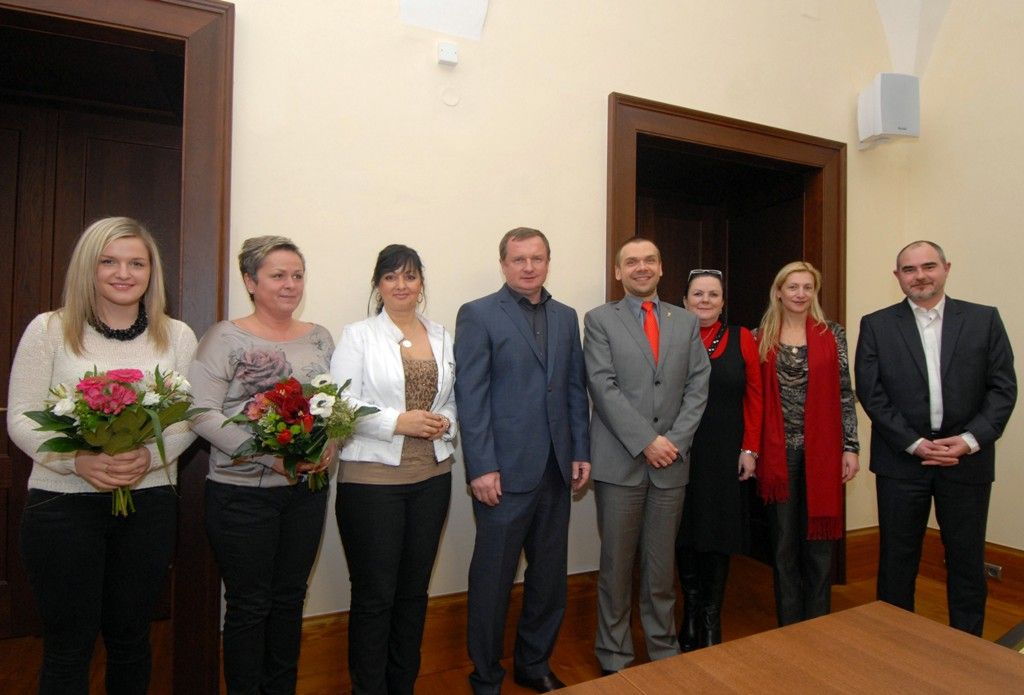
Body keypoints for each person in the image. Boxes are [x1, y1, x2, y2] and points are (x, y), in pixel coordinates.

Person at [7, 216, 197, 694]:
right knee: (68, 646)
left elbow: (188, 417)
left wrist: (149, 459)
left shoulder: (177, 335)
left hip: (148, 505)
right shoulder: (49, 329)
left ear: (151, 271)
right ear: (87, 267)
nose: (123, 273)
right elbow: (22, 417)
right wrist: (76, 461)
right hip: (62, 506)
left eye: (137, 263)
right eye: (109, 261)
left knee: (132, 640)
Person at [189, 236, 336, 694]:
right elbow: (200, 413)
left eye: (297, 275)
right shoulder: (224, 337)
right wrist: (270, 457)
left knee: (290, 600)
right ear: (251, 282)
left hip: (305, 494)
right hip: (241, 497)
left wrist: (330, 441)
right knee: (250, 606)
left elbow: (332, 404)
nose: (290, 284)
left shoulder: (319, 336)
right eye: (278, 275)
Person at [855, 241, 1016, 636]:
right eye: (909, 270)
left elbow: (1002, 389)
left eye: (928, 266)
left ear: (946, 268)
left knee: (966, 560)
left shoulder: (984, 320)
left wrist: (969, 440)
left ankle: (968, 647)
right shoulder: (876, 325)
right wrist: (913, 443)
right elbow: (872, 393)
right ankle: (896, 644)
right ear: (897, 276)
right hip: (900, 462)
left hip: (966, 461)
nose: (920, 276)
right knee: (897, 561)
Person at [454, 227, 590, 694]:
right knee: (492, 581)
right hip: (502, 473)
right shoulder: (478, 314)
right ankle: (486, 675)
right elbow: (471, 396)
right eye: (518, 259)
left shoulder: (566, 317)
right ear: (503, 264)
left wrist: (580, 450)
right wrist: (481, 466)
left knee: (549, 579)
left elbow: (573, 388)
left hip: (556, 469)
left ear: (548, 262)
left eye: (537, 258)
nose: (528, 267)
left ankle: (534, 663)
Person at [329, 245, 457, 694]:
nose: (401, 285)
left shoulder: (441, 335)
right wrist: (397, 422)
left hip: (432, 479)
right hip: (372, 483)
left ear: (421, 283)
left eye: (410, 276)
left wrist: (446, 422)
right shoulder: (358, 335)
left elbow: (452, 400)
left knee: (413, 593)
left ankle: (403, 685)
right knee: (375, 596)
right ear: (378, 285)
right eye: (391, 277)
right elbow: (338, 404)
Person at [584, 238, 709, 673]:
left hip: (671, 464)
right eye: (632, 262)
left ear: (661, 268)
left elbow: (698, 385)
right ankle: (614, 655)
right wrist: (646, 441)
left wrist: (673, 440)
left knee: (660, 570)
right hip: (620, 463)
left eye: (650, 260)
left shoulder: (685, 322)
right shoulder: (599, 320)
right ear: (618, 272)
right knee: (616, 569)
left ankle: (663, 649)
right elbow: (602, 386)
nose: (642, 267)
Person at [756, 261, 859, 626]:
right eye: (793, 287)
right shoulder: (759, 337)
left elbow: (845, 393)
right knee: (783, 545)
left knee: (819, 545)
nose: (800, 294)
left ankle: (819, 624)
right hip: (777, 454)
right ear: (779, 292)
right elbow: (752, 400)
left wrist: (851, 447)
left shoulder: (833, 334)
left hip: (823, 452)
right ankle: (789, 626)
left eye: (807, 287)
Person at [676, 268, 762, 649]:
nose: (705, 300)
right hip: (681, 452)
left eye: (713, 294)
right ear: (684, 301)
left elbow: (756, 397)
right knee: (684, 532)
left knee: (717, 533)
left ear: (723, 302)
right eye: (698, 294)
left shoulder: (742, 338)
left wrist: (750, 449)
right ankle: (691, 613)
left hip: (726, 453)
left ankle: (711, 617)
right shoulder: (673, 337)